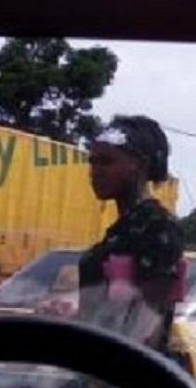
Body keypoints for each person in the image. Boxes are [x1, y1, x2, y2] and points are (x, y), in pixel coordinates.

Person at [78, 116, 183, 354]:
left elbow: (149, 322)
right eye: (93, 162)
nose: (95, 172)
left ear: (140, 165)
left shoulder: (157, 226)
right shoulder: (123, 228)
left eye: (106, 162)